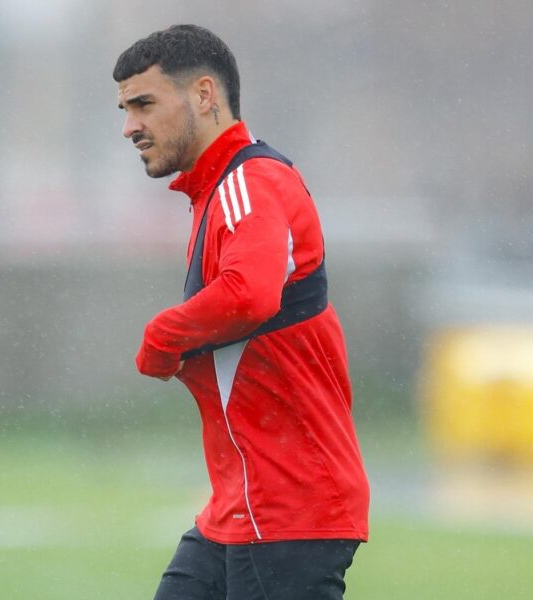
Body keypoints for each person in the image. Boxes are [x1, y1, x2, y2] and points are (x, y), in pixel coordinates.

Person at [114, 24, 370, 600]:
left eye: (144, 104)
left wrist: (162, 336)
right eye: (126, 109)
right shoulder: (219, 190)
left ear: (204, 95)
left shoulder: (248, 181)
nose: (129, 126)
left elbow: (249, 294)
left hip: (288, 505)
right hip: (243, 504)